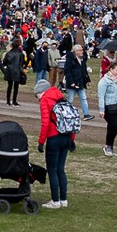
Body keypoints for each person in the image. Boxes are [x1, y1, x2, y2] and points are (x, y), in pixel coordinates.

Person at [37, 79, 79, 208]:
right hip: (66, 136)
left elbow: (45, 123)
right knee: (61, 169)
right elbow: (71, 120)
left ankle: (55, 201)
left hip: (54, 137)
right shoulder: (61, 98)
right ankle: (63, 199)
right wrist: (72, 139)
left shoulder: (45, 100)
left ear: (41, 92)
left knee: (52, 170)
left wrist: (41, 142)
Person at [63, 43, 92, 120]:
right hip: (72, 84)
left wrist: (88, 80)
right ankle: (66, 114)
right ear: (75, 51)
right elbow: (67, 71)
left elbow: (84, 71)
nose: (82, 51)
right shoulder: (70, 60)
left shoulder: (82, 59)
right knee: (70, 100)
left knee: (83, 99)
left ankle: (86, 114)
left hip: (81, 83)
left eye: (82, 50)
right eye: (80, 50)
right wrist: (71, 82)